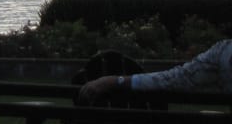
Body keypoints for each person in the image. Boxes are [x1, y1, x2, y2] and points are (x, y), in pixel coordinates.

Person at [78, 39, 232, 103]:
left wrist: (116, 81)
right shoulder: (223, 53)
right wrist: (116, 81)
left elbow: (176, 79)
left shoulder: (224, 52)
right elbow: (177, 79)